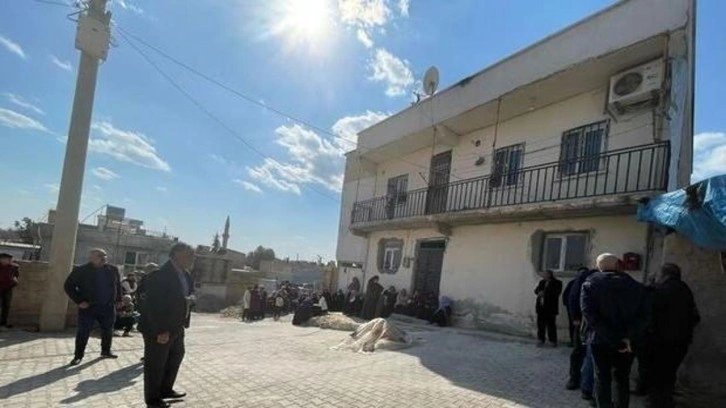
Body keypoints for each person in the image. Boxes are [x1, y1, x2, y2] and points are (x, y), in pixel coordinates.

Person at [581, 253, 646, 408]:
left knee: (602, 378)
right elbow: (644, 316)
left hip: (600, 339)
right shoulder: (636, 286)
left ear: (599, 267)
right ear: (618, 265)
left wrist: (613, 338)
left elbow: (590, 316)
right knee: (622, 378)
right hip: (627, 342)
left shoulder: (590, 284)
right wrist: (627, 337)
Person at [138, 243, 195, 408]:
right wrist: (160, 331)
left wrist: (192, 300)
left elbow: (189, 295)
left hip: (177, 326)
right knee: (155, 364)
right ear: (176, 254)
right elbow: (151, 306)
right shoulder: (159, 276)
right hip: (159, 329)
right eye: (189, 255)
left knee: (175, 357)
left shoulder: (186, 275)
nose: (192, 259)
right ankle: (152, 399)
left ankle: (165, 389)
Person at [648, 263, 700, 408]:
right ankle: (667, 401)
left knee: (657, 373)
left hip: (661, 340)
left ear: (664, 275)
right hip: (681, 341)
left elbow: (650, 313)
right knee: (670, 373)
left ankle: (657, 403)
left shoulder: (661, 290)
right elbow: (696, 317)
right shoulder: (685, 290)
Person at [64, 248, 122, 366]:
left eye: (104, 256)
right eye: (100, 256)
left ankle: (106, 351)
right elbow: (68, 286)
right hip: (89, 307)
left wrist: (119, 299)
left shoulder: (112, 270)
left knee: (107, 330)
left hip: (107, 306)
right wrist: (79, 301)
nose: (103, 258)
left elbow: (117, 285)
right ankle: (78, 356)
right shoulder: (81, 270)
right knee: (83, 331)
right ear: (92, 258)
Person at [565, 267, 595, 397]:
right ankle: (575, 378)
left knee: (589, 354)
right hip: (584, 323)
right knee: (579, 351)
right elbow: (572, 297)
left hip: (594, 323)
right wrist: (575, 317)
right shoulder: (585, 277)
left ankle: (585, 383)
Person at [534, 269, 563, 347]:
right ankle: (541, 339)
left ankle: (552, 341)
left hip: (550, 308)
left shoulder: (557, 283)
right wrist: (539, 292)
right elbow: (536, 290)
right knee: (540, 325)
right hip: (541, 307)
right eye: (543, 274)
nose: (544, 275)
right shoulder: (542, 282)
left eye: (545, 274)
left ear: (550, 275)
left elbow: (556, 293)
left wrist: (545, 293)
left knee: (551, 325)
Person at [0, 253, 20, 330]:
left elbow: (15, 276)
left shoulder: (13, 267)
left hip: (8, 288)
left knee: (6, 306)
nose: (6, 261)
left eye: (8, 259)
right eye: (4, 259)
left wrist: (14, 282)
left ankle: (3, 323)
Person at [563, 278, 576, 347]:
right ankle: (573, 341)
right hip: (572, 308)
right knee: (572, 325)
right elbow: (566, 294)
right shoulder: (572, 283)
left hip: (582, 309)